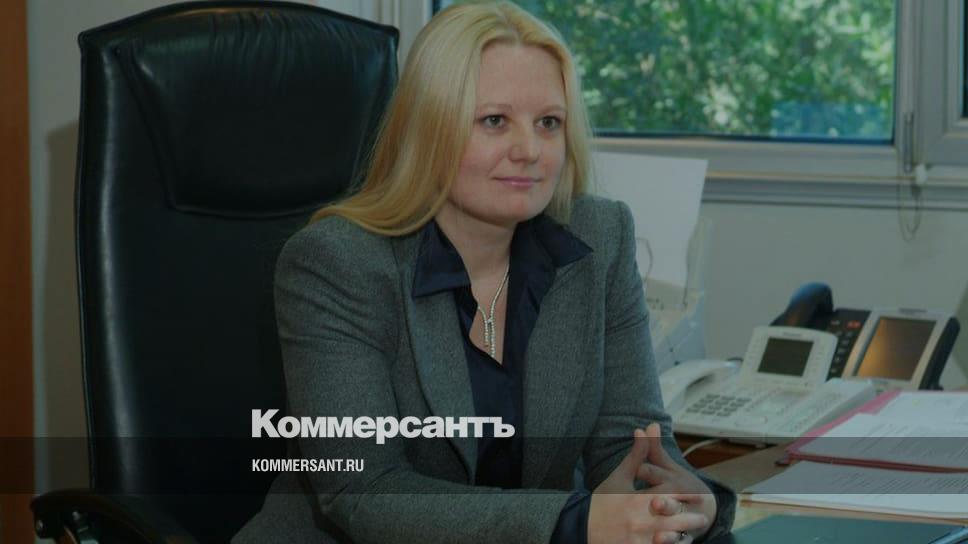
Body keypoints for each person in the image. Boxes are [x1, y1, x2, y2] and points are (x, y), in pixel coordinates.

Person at [234, 2, 735, 543]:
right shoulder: (338, 264)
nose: (530, 150)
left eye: (549, 123)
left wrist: (680, 503)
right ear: (430, 129)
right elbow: (363, 490)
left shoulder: (601, 238)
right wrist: (574, 522)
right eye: (495, 121)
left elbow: (631, 444)